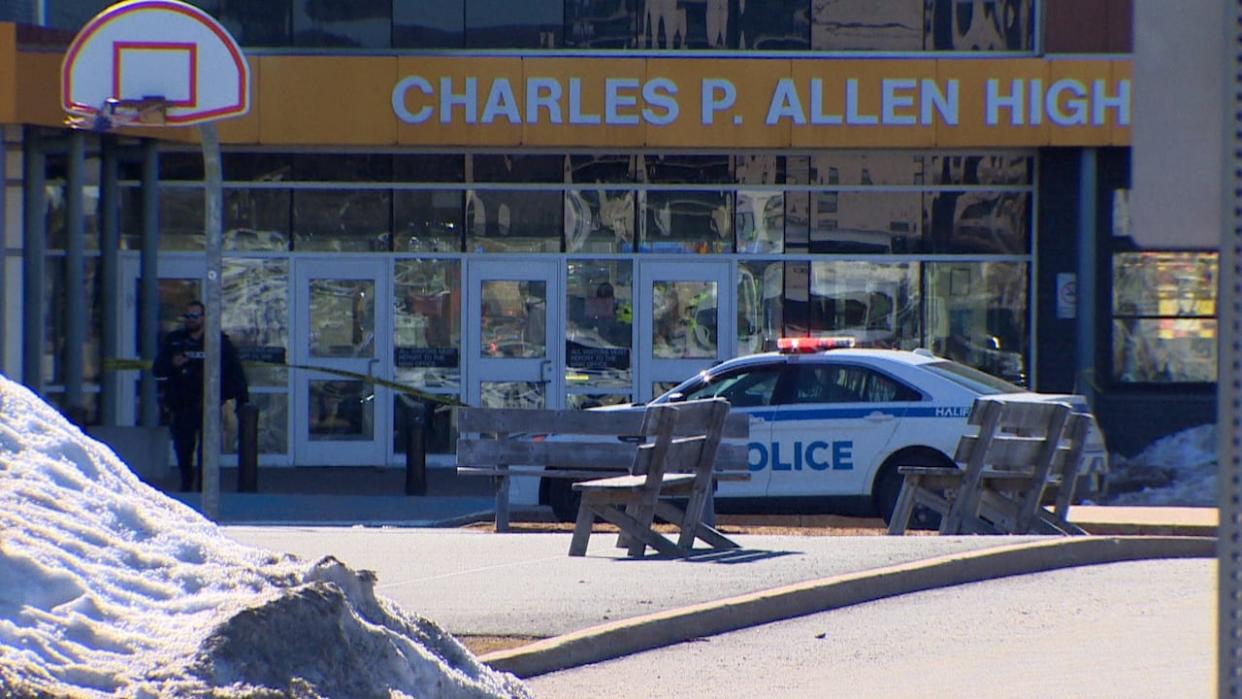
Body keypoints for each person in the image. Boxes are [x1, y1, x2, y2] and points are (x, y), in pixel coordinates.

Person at [154, 301, 249, 492]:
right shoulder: (175, 341)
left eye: (195, 316)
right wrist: (173, 363)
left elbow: (234, 371)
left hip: (209, 404)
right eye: (188, 317)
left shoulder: (218, 342)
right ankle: (187, 482)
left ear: (204, 318)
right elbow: (157, 369)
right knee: (184, 448)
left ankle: (204, 487)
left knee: (207, 451)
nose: (191, 320)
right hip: (182, 404)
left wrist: (241, 400)